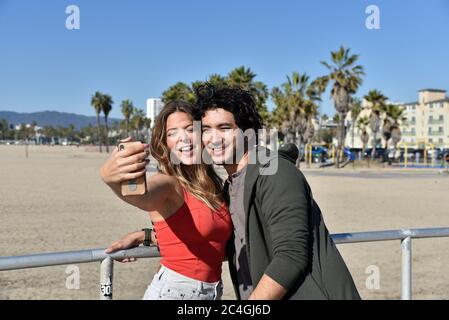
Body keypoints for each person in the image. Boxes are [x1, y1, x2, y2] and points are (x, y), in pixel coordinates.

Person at [109, 83, 361, 300]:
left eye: (225, 128)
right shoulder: (231, 186)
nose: (213, 138)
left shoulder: (274, 174)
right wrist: (146, 235)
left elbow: (291, 256)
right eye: (206, 129)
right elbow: (219, 239)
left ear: (247, 131)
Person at [100, 100, 232, 300]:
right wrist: (110, 178)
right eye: (172, 133)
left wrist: (144, 236)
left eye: (189, 129)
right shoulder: (168, 183)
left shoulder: (213, 185)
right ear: (165, 143)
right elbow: (141, 196)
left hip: (211, 293)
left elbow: (208, 242)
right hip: (176, 292)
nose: (183, 139)